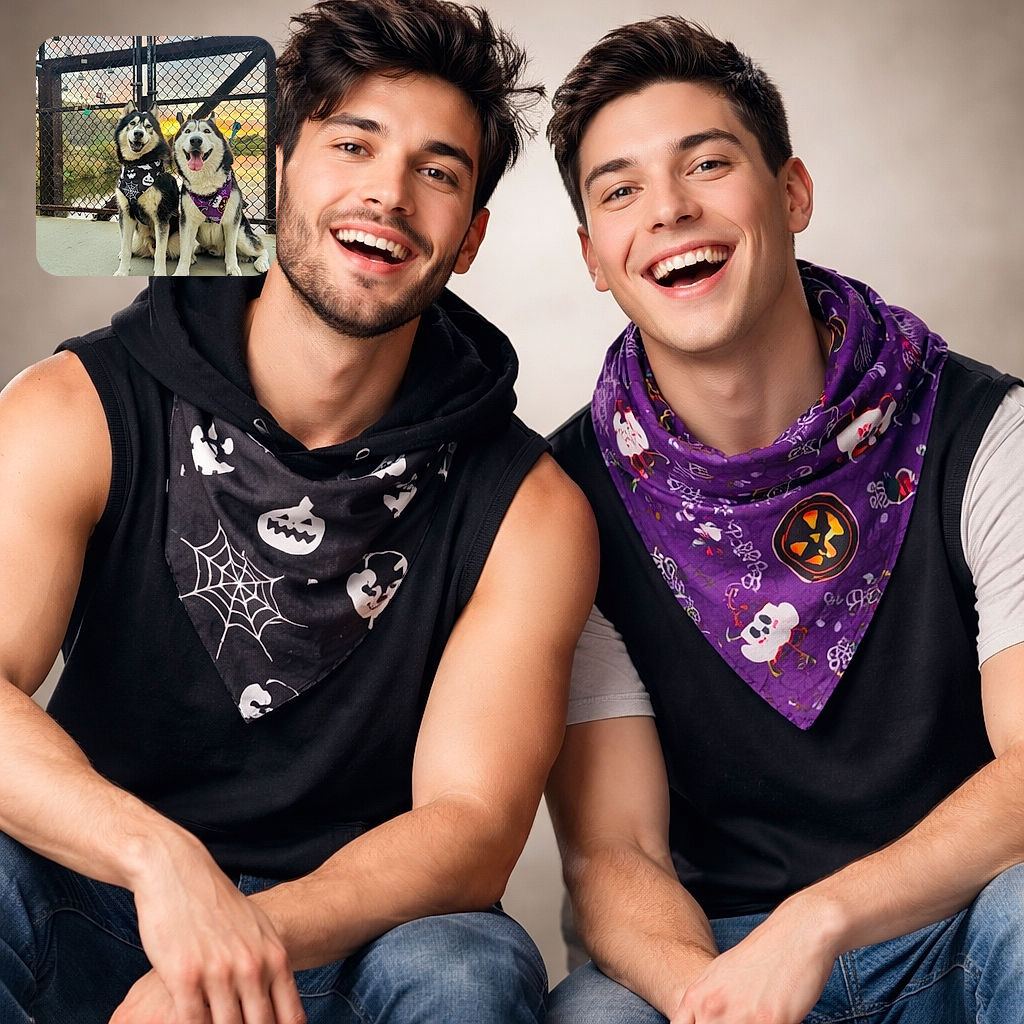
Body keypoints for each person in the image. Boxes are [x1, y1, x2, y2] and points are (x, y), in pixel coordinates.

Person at [0, 1, 597, 1021]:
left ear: (471, 239)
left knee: (469, 966)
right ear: (273, 170)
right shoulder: (74, 408)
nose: (388, 192)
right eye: (351, 144)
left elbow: (472, 823)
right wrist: (163, 866)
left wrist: (237, 943)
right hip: (110, 903)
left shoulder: (531, 505)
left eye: (438, 171)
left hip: (355, 941)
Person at [543, 15, 1024, 1024]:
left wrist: (820, 920)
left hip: (960, 921)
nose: (669, 210)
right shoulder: (564, 498)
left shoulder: (987, 433)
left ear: (790, 193)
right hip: (714, 951)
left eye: (706, 163)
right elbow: (613, 852)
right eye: (620, 189)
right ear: (595, 255)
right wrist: (710, 999)